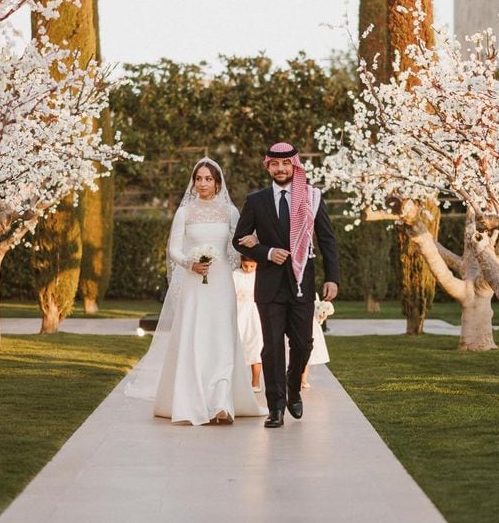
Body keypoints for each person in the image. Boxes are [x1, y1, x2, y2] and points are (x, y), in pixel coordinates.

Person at [125, 158, 265, 426]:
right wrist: (190, 262)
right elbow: (174, 248)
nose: (203, 183)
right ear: (194, 181)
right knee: (195, 335)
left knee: (222, 335)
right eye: (198, 178)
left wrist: (252, 242)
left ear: (217, 182)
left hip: (222, 281)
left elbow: (238, 245)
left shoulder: (229, 211)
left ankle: (222, 401)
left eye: (208, 179)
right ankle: (193, 399)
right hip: (194, 282)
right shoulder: (185, 212)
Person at [233, 141, 340, 428]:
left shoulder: (312, 198)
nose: (281, 169)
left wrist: (333, 277)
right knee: (271, 348)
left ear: (295, 165)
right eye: (275, 164)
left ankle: (294, 390)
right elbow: (239, 239)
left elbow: (327, 240)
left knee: (303, 343)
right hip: (268, 285)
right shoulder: (256, 201)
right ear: (267, 166)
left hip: (302, 282)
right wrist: (266, 252)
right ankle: (276, 407)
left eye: (286, 164)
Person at [233, 256, 263, 390]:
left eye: (252, 266)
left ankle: (255, 382)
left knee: (255, 346)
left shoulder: (260, 276)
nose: (248, 269)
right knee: (237, 343)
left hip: (254, 314)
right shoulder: (235, 275)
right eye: (245, 266)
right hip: (239, 312)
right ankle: (235, 381)